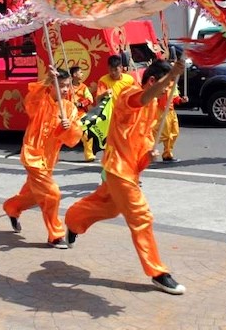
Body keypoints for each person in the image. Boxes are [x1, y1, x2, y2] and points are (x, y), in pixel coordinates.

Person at [65, 59, 188, 295]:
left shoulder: (153, 109)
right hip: (118, 170)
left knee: (110, 209)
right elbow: (142, 98)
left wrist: (148, 155)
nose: (169, 93)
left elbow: (138, 143)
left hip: (127, 170)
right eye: (168, 86)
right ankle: (157, 272)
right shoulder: (130, 95)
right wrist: (172, 73)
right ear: (153, 81)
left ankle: (73, 219)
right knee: (142, 217)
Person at [3, 67, 82, 248]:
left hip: (49, 159)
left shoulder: (69, 108)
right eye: (61, 85)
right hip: (33, 155)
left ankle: (12, 207)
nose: (64, 89)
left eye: (67, 86)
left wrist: (68, 126)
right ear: (52, 86)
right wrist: (47, 80)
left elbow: (73, 138)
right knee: (52, 193)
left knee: (33, 194)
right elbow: (30, 100)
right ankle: (55, 234)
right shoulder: (41, 101)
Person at [69, 66, 95, 162]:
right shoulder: (67, 87)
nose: (82, 74)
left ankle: (89, 155)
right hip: (68, 115)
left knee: (87, 134)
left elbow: (90, 99)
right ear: (74, 75)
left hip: (80, 115)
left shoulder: (83, 87)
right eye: (80, 72)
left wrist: (80, 104)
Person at [159, 86, 188, 162]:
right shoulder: (161, 82)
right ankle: (145, 149)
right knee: (165, 135)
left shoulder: (173, 84)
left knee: (175, 132)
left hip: (171, 111)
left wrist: (181, 100)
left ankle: (167, 154)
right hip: (162, 111)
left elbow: (175, 98)